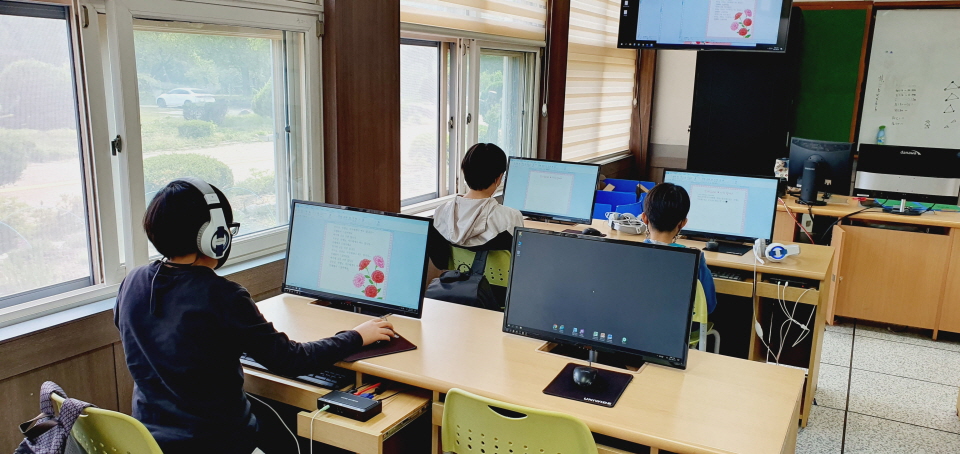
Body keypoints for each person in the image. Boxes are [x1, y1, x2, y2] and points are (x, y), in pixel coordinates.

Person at [114, 179, 395, 453]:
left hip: (150, 442)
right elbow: (291, 360)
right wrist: (356, 336)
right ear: (215, 237)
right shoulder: (223, 296)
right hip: (216, 443)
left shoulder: (133, 282)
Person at [640, 182, 718, 314]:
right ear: (683, 223)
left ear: (644, 218)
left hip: (636, 323)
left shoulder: (631, 253)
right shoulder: (695, 258)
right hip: (678, 326)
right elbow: (709, 306)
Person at [433, 143, 524, 248]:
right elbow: (519, 253)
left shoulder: (441, 212)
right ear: (499, 178)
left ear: (465, 172)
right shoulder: (510, 217)